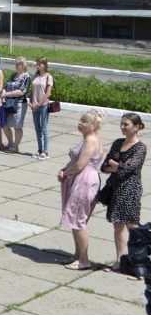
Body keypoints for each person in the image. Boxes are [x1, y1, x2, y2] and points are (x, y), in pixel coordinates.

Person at [58, 109, 105, 271]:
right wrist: (65, 169)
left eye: (84, 121)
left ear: (92, 126)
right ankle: (78, 255)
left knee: (79, 220)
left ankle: (84, 260)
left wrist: (65, 173)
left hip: (84, 181)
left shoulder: (91, 140)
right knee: (75, 218)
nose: (80, 123)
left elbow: (79, 166)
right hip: (81, 180)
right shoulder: (88, 138)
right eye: (80, 120)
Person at [101, 113, 146, 275]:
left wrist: (115, 165)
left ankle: (139, 264)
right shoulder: (118, 142)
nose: (122, 127)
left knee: (133, 227)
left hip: (130, 189)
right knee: (117, 225)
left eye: (126, 124)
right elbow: (104, 166)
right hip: (115, 188)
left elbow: (129, 169)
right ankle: (120, 261)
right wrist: (116, 165)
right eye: (121, 124)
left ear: (136, 127)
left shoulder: (140, 147)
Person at [0, 57, 30, 154]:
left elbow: (21, 91)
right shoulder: (13, 75)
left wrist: (6, 94)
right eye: (16, 64)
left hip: (19, 103)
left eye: (19, 65)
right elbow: (6, 86)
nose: (17, 66)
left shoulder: (26, 76)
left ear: (23, 66)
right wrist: (3, 94)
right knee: (5, 124)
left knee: (17, 125)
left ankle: (15, 146)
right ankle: (10, 143)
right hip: (8, 103)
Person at [30, 57, 54, 160]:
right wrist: (31, 102)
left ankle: (45, 151)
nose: (38, 66)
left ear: (45, 65)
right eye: (37, 64)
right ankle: (39, 149)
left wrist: (39, 104)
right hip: (34, 106)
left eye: (40, 64)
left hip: (43, 105)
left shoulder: (49, 77)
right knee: (37, 129)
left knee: (44, 128)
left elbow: (48, 93)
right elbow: (32, 91)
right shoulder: (35, 76)